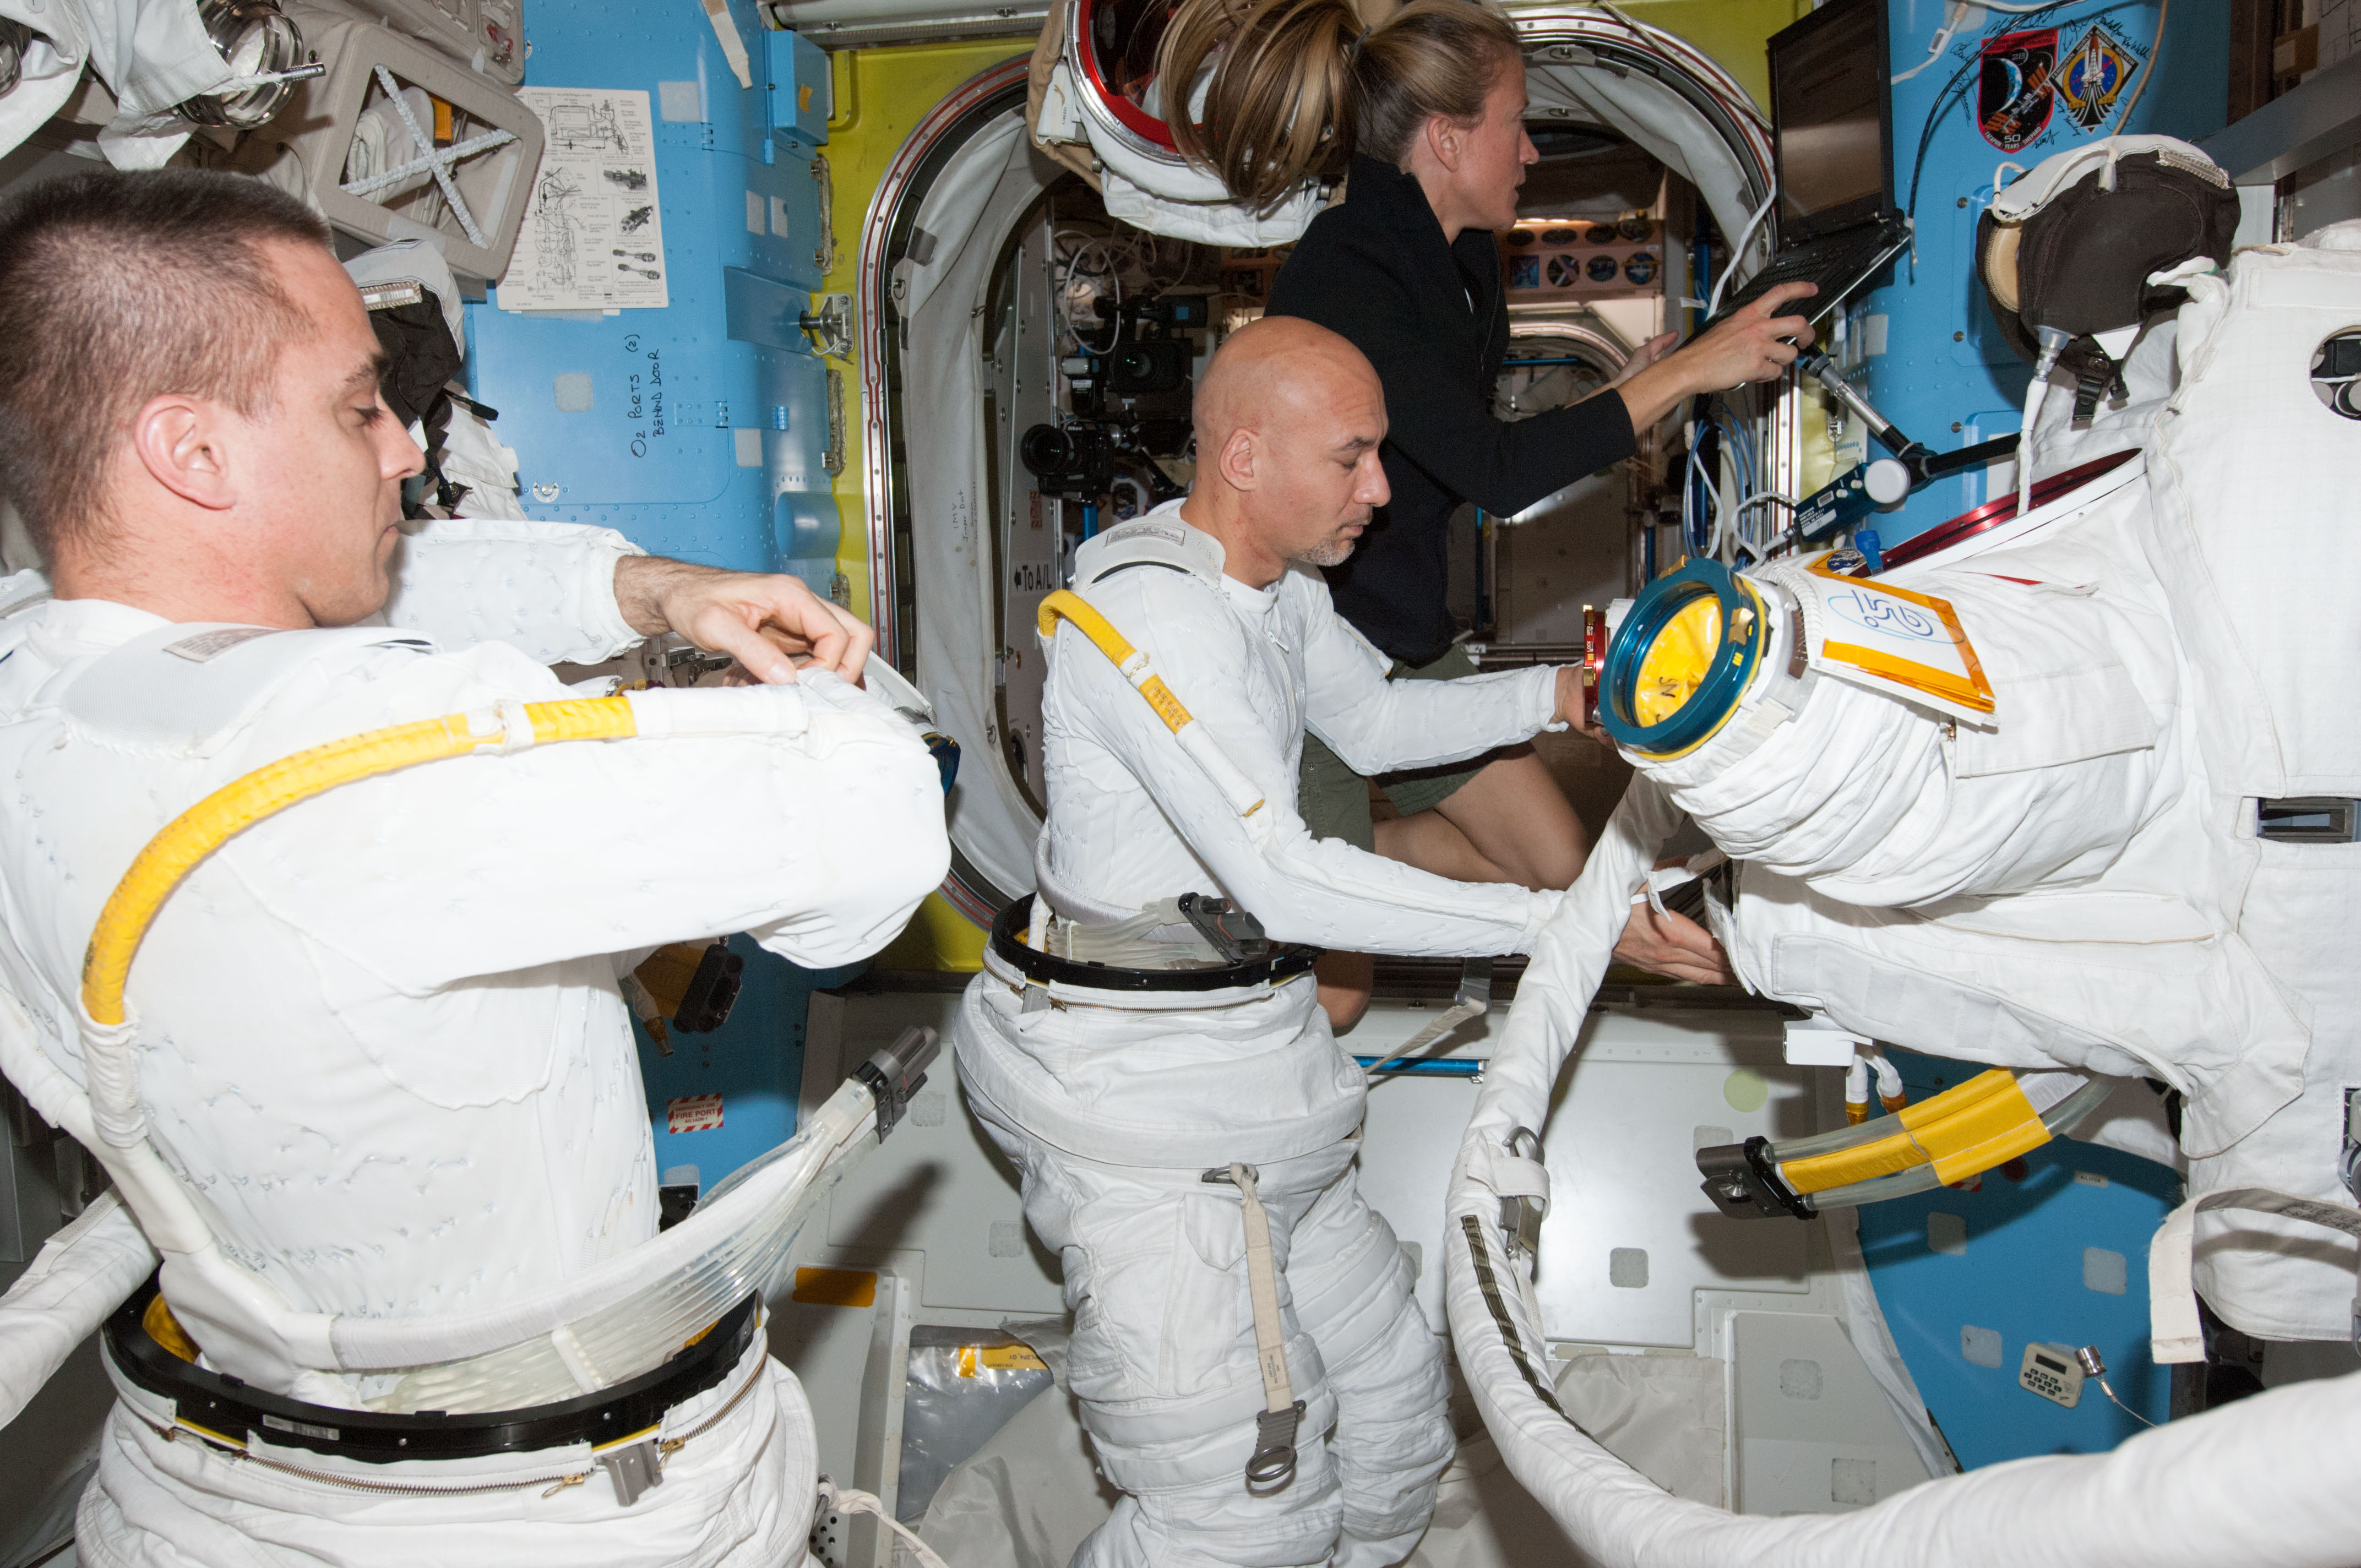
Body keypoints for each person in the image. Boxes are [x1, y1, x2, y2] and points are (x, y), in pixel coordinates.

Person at [0, 168, 949, 1564]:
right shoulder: (381, 762)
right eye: (355, 407)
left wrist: (641, 589)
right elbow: (884, 822)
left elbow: (342, 585)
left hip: (216, 1493)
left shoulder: (41, 664)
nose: (401, 449)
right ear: (192, 454)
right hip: (532, 1519)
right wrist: (789, 694)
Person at [953, 314, 1711, 1568]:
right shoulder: (1153, 618)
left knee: (1395, 1434)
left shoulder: (1273, 587)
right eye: (1352, 458)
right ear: (1244, 457)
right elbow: (1288, 881)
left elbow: (1367, 720)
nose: (1379, 490)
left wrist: (1553, 696)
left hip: (1255, 1075)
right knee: (1237, 1521)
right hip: (1143, 1109)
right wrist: (1567, 925)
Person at [1159, 0, 1807, 1025]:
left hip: (1401, 632)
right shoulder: (1355, 266)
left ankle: (1331, 861)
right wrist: (1686, 371)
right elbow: (1499, 473)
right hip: (1315, 641)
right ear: (1448, 138)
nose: (1532, 148)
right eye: (1516, 121)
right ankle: (1271, 873)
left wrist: (1632, 386)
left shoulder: (1457, 262)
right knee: (1334, 1003)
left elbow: (1454, 452)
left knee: (1561, 865)